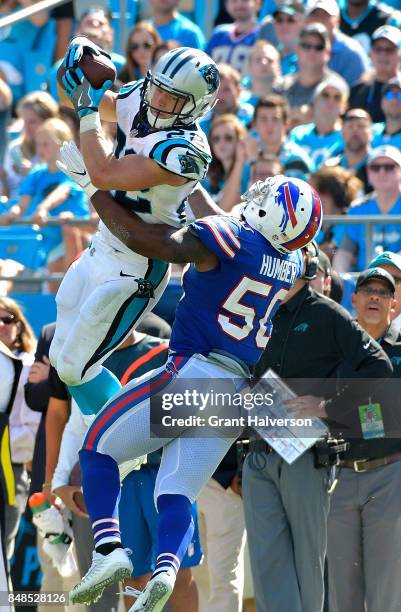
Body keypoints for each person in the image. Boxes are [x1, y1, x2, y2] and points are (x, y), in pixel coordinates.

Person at [57, 162, 322, 609]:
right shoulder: (290, 258)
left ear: (267, 214)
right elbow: (224, 223)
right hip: (237, 391)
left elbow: (152, 242)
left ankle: (107, 549)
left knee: (98, 445)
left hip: (195, 373)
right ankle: (164, 570)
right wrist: (191, 182)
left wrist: (95, 192)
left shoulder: (234, 240)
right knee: (176, 490)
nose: (251, 202)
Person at [50, 43, 220, 419]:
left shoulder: (185, 151)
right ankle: (108, 437)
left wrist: (86, 109)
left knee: (73, 368)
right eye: (156, 87)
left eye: (171, 98)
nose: (157, 100)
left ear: (196, 107)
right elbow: (98, 99)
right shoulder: (141, 97)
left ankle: (128, 445)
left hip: (139, 264)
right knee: (59, 354)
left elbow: (105, 173)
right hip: (104, 242)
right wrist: (77, 72)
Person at [243, 244, 393, 612]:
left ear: (304, 265)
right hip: (258, 451)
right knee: (265, 565)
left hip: (306, 454)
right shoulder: (255, 308)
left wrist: (327, 407)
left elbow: (379, 367)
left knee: (308, 566)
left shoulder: (328, 314)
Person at [327, 267, 401, 612]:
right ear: (352, 299)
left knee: (387, 587)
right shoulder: (333, 346)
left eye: (383, 292)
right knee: (342, 590)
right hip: (337, 476)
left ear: (394, 303)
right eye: (367, 290)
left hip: (390, 473)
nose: (375, 296)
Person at [2, 118, 90, 289]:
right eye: (38, 144)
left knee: (69, 228)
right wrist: (12, 214)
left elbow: (63, 191)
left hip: (78, 237)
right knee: (52, 283)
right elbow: (22, 204)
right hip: (50, 242)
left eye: (45, 144)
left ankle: (75, 287)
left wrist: (43, 208)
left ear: (60, 144)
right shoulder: (37, 174)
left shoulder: (73, 170)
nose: (40, 149)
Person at [0, 297, 39, 567]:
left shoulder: (28, 366)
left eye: (7, 319)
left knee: (2, 555)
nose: (1, 326)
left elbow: (30, 436)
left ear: (19, 326)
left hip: (9, 471)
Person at [333, 145, 401, 272]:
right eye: (375, 168)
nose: (382, 172)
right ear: (368, 174)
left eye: (389, 167)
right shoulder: (358, 209)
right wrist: (341, 279)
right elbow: (344, 253)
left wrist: (386, 272)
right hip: (366, 282)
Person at [3, 91, 59, 202]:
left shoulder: (59, 147)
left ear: (48, 121)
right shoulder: (14, 148)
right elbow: (6, 192)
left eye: (32, 122)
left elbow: (62, 185)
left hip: (46, 213)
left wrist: (33, 173)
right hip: (14, 213)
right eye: (24, 121)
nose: (26, 127)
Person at [246, 95, 313, 181]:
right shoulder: (249, 155)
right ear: (254, 125)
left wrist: (253, 163)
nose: (269, 125)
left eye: (275, 119)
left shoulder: (296, 160)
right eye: (263, 119)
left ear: (286, 124)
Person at [288, 74, 348, 168]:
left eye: (337, 97)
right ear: (315, 101)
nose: (330, 101)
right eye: (325, 95)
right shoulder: (297, 134)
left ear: (344, 107)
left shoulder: (346, 138)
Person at [306, 0, 369, 87]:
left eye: (325, 15)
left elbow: (355, 95)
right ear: (306, 20)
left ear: (337, 21)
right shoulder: (299, 46)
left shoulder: (351, 53)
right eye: (314, 14)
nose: (319, 20)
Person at [349, 25, 401, 123]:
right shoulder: (358, 91)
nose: (383, 54)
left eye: (389, 50)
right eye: (378, 49)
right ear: (370, 53)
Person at [203, 114, 248, 211]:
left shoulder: (249, 169)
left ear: (240, 141)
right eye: (216, 139)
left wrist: (240, 161)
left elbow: (225, 208)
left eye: (228, 138)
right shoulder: (209, 175)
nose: (221, 143)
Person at [206, 0, 261, 76]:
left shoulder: (263, 34)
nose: (239, 4)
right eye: (234, 1)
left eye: (245, 1)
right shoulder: (219, 33)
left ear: (257, 3)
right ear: (226, 5)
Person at [325, 108, 373, 194]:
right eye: (350, 126)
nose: (355, 130)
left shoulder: (380, 167)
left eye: (361, 126)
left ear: (371, 132)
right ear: (342, 132)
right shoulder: (330, 168)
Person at [200, 63, 254, 135]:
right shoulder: (201, 124)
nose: (220, 96)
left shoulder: (252, 119)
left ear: (238, 91)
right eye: (215, 90)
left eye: (227, 90)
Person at [259, 0, 305, 77]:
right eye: (279, 20)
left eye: (290, 20)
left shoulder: (308, 58)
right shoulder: (267, 58)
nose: (284, 25)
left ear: (302, 24)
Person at [371, 75, 401, 150]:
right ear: (382, 102)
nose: (395, 100)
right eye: (389, 95)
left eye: (400, 95)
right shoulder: (370, 131)